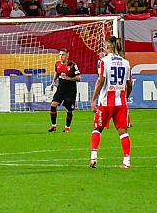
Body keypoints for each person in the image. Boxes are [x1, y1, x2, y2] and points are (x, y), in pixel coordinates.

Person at [90, 37, 132, 169]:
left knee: (97, 129)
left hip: (106, 102)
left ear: (108, 47)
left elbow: (101, 80)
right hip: (121, 102)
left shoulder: (104, 61)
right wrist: (126, 96)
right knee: (123, 132)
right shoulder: (126, 63)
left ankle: (94, 157)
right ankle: (126, 161)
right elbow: (129, 84)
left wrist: (93, 99)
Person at [49, 48, 81, 133]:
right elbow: (56, 72)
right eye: (60, 55)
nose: (61, 56)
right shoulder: (57, 64)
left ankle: (67, 127)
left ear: (67, 55)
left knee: (68, 110)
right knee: (53, 105)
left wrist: (69, 78)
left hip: (70, 91)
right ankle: (53, 126)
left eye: (63, 55)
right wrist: (53, 82)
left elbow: (79, 78)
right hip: (60, 89)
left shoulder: (72, 65)